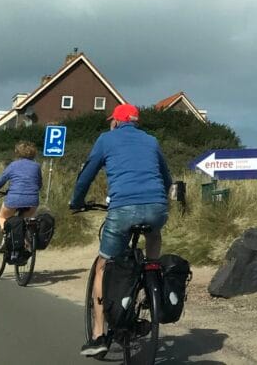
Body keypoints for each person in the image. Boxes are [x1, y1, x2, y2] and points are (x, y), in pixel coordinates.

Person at [70, 103, 172, 358]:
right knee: (154, 234)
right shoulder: (151, 141)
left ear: (116, 121)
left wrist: (76, 201)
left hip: (123, 210)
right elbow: (167, 177)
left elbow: (86, 175)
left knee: (104, 265)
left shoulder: (106, 139)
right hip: (157, 207)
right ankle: (152, 276)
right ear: (136, 122)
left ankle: (98, 335)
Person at [0, 141, 43, 228]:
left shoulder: (13, 165)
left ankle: (5, 236)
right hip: (32, 200)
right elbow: (39, 184)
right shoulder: (37, 166)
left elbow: (0, 181)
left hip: (14, 199)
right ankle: (28, 240)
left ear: (17, 153)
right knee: (27, 224)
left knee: (2, 217)